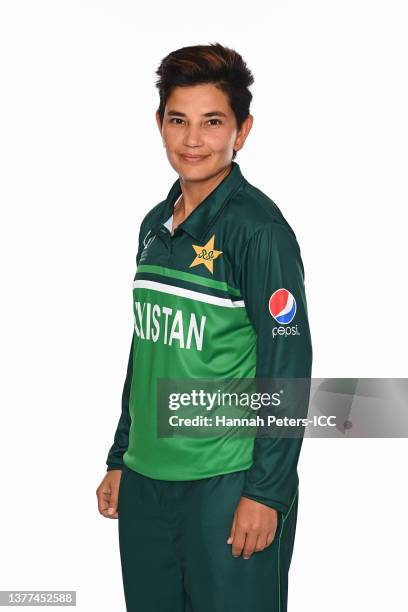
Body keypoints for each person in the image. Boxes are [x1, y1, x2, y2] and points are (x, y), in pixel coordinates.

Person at [96, 42, 313, 612]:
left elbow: (286, 367)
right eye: (179, 120)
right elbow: (148, 347)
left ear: (241, 131)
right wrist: (121, 456)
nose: (193, 140)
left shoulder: (259, 232)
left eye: (212, 122)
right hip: (146, 484)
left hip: (226, 483)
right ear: (160, 124)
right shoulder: (153, 225)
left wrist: (265, 492)